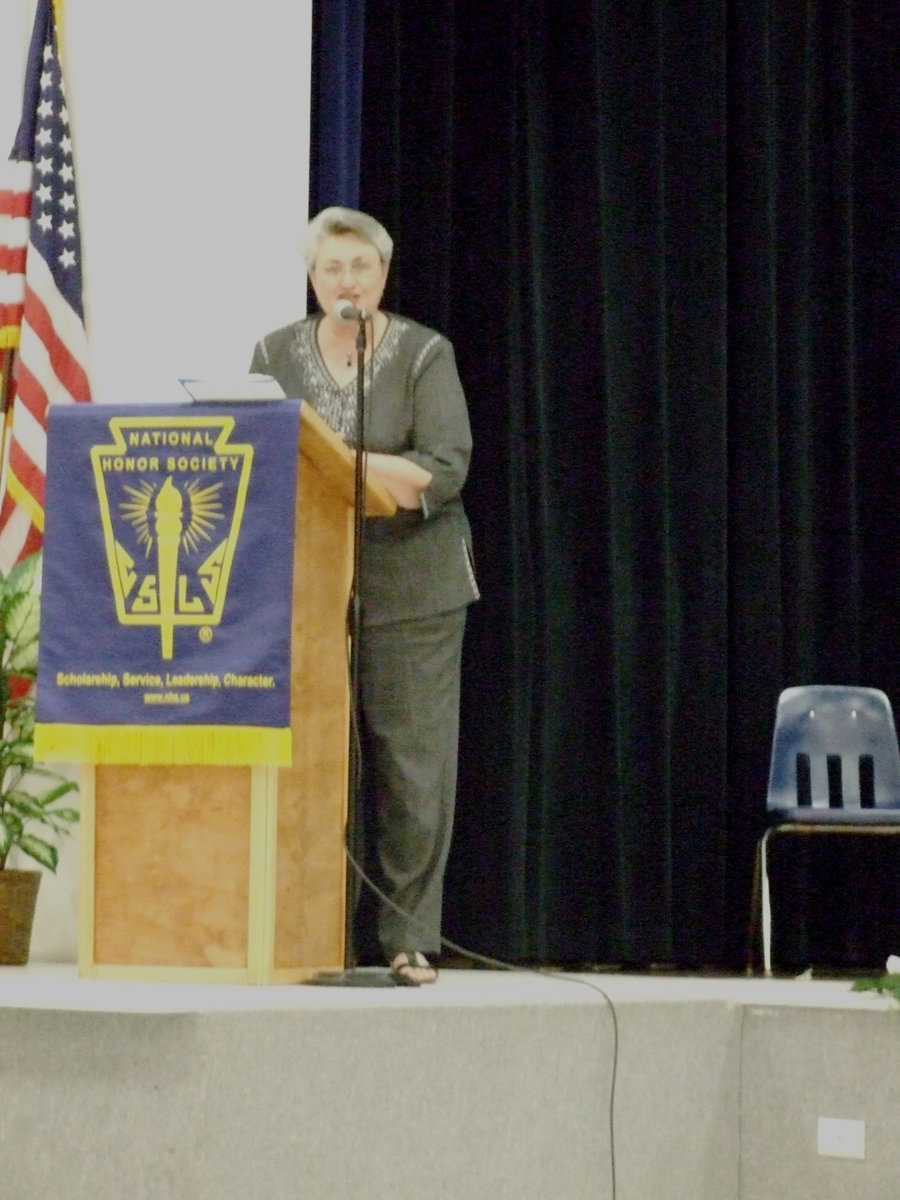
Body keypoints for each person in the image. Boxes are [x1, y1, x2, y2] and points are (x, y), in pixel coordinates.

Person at [250, 206, 478, 984]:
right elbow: (258, 451)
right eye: (331, 269)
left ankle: (409, 939)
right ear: (313, 278)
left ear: (382, 276)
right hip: (308, 591)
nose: (346, 281)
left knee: (411, 766)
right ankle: (315, 932)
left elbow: (443, 469)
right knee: (318, 763)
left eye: (361, 268)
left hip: (414, 588)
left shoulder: (422, 354)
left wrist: (347, 460)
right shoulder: (274, 353)